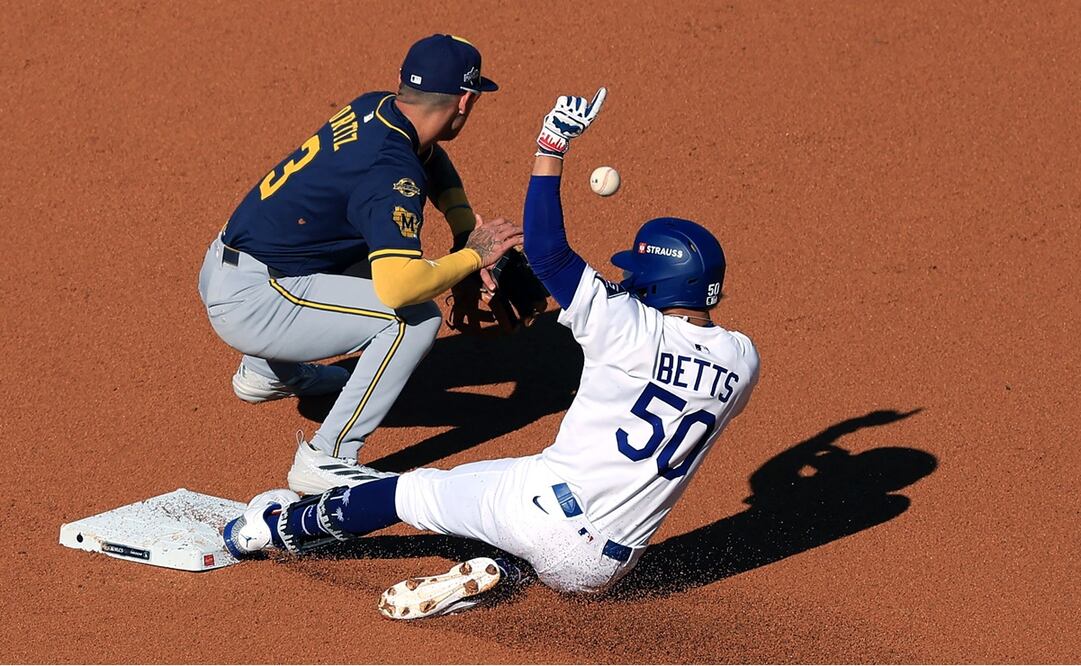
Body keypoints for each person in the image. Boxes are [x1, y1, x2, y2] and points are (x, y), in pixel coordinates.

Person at [220, 88, 760, 619]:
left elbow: (549, 252)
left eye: (633, 275)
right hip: (606, 567)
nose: (624, 281)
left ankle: (274, 529)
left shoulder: (624, 328)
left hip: (541, 508)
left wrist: (552, 147)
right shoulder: (742, 361)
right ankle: (501, 570)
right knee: (540, 540)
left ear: (656, 286)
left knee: (410, 494)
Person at [197, 35, 522, 494]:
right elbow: (400, 290)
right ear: (465, 100)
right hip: (255, 301)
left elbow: (433, 158)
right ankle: (329, 456)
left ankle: (269, 372)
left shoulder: (378, 108)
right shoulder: (392, 173)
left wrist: (463, 228)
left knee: (363, 244)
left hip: (227, 266)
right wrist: (473, 257)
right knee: (413, 320)